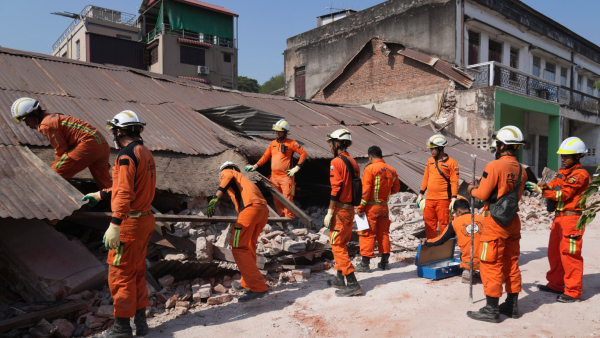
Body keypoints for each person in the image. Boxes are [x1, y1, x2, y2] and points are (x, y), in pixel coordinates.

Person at [83, 111, 156, 338]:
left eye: (114, 130)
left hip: (129, 223)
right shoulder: (144, 152)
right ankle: (141, 324)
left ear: (119, 131)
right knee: (137, 271)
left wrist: (115, 223)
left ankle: (122, 328)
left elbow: (125, 191)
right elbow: (131, 185)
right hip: (144, 221)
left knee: (120, 274)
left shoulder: (125, 155)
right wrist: (101, 194)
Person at [466, 125, 526, 323]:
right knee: (511, 262)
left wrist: (472, 189)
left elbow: (483, 195)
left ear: (502, 145)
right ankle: (512, 304)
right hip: (512, 221)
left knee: (491, 263)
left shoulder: (494, 166)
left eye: (498, 144)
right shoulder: (522, 171)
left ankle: (491, 309)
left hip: (495, 222)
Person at [526, 137, 591, 303]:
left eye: (566, 156)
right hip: (559, 219)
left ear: (577, 156)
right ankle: (556, 284)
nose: (563, 158)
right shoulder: (564, 172)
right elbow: (555, 181)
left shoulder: (580, 174)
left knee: (570, 255)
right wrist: (544, 185)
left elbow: (564, 194)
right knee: (554, 253)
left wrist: (542, 192)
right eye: (562, 155)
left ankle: (573, 291)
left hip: (572, 219)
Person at [10, 97, 112, 190]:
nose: (27, 124)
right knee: (105, 183)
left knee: (53, 174)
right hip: (102, 144)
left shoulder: (47, 124)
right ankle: (125, 206)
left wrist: (56, 166)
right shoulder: (53, 118)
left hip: (88, 145)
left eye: (26, 120)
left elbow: (61, 150)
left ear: (34, 114)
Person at [206, 161, 270, 302]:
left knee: (238, 247)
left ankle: (258, 287)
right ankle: (247, 283)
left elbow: (226, 178)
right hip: (262, 212)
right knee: (248, 246)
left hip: (249, 211)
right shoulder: (244, 181)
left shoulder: (228, 172)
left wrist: (214, 199)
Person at [324, 129, 362, 297]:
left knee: (337, 245)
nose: (330, 146)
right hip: (349, 210)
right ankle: (339, 279)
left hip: (339, 210)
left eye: (331, 143)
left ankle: (352, 283)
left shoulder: (336, 162)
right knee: (342, 243)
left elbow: (336, 187)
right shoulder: (353, 162)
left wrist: (330, 211)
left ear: (337, 143)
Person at [245, 119, 307, 219]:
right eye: (276, 131)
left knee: (288, 198)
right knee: (277, 199)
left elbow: (304, 154)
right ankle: (281, 219)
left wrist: (296, 168)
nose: (277, 133)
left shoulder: (292, 143)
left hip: (287, 177)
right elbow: (265, 157)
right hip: (274, 177)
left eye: (279, 131)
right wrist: (255, 166)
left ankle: (289, 219)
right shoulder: (272, 143)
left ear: (285, 132)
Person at [355, 146, 401, 273]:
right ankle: (385, 263)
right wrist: (384, 195)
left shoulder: (370, 169)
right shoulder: (392, 170)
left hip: (371, 207)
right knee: (384, 234)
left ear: (370, 157)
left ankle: (365, 264)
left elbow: (365, 191)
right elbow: (396, 188)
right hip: (384, 207)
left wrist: (360, 207)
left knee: (367, 234)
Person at [421, 198, 485, 283]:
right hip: (486, 261)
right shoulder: (483, 219)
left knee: (464, 251)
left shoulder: (455, 223)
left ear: (458, 211)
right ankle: (484, 272)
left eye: (455, 213)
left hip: (469, 262)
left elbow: (441, 240)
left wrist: (426, 242)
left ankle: (467, 270)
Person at [417, 134, 459, 239]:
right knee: (429, 224)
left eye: (432, 149)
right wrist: (421, 193)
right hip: (430, 199)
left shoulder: (452, 163)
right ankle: (432, 245)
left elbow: (454, 182)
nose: (431, 151)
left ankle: (444, 248)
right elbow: (426, 177)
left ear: (440, 148)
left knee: (444, 224)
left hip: (444, 200)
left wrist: (453, 198)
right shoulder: (430, 161)